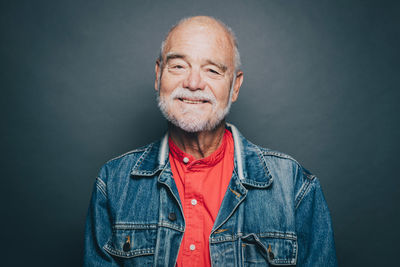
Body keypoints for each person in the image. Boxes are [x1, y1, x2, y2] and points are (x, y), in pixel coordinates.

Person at [84, 16, 337, 266]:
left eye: (212, 70)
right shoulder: (113, 183)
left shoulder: (294, 186)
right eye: (179, 66)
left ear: (235, 87)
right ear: (159, 75)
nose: (193, 83)